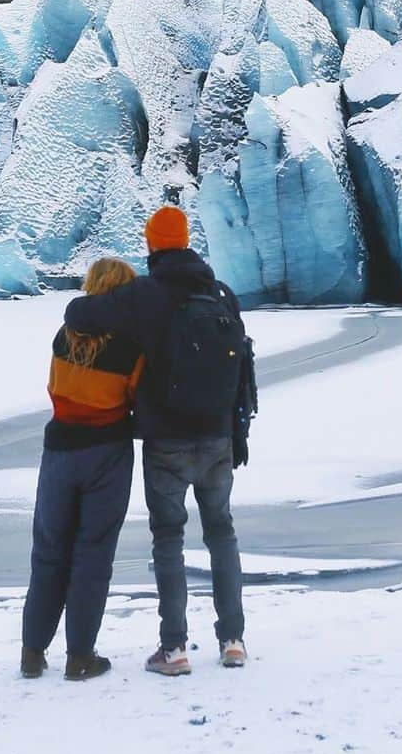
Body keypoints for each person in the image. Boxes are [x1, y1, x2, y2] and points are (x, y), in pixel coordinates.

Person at [63, 206, 253, 676]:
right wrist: (239, 432)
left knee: (169, 539)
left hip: (166, 441)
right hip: (218, 438)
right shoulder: (221, 293)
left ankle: (174, 649)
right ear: (188, 241)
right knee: (221, 533)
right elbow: (244, 367)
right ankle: (233, 640)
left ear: (151, 245)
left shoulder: (144, 296)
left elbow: (78, 313)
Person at [20, 257, 142, 681]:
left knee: (49, 551)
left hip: (59, 450)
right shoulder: (130, 343)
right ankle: (80, 656)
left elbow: (55, 387)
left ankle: (32, 653)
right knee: (94, 553)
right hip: (107, 452)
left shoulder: (62, 335)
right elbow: (137, 398)